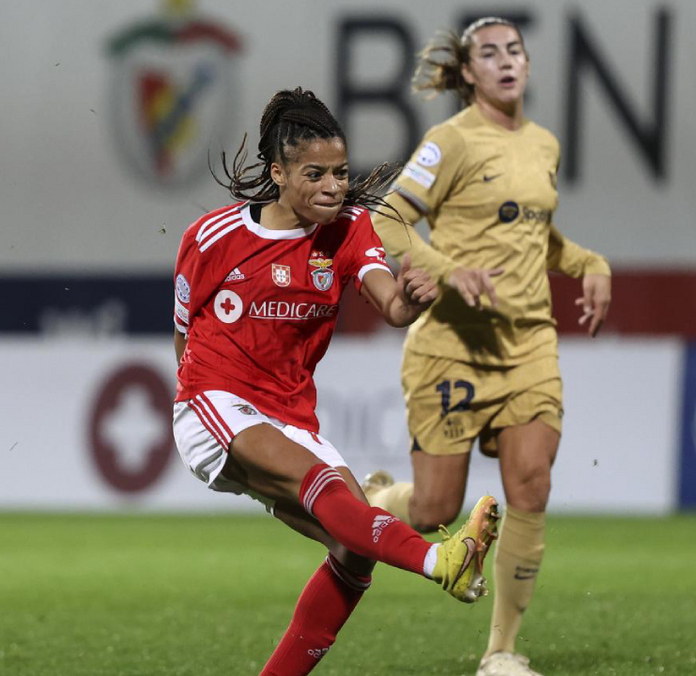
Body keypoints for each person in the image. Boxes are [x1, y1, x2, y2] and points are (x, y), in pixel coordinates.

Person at [171, 87, 500, 676]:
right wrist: (202, 400)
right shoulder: (211, 239)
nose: (334, 186)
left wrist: (412, 300)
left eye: (342, 172)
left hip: (291, 415)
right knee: (326, 485)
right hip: (215, 402)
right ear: (278, 173)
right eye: (315, 173)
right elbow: (181, 336)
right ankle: (440, 562)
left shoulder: (350, 230)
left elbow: (391, 307)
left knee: (354, 553)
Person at [360, 18, 612, 676]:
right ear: (468, 74)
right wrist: (449, 271)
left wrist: (588, 262)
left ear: (527, 64)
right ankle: (381, 502)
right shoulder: (451, 141)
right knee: (439, 507)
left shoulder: (544, 145)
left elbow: (540, 237)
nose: (505, 62)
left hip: (529, 342)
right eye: (489, 55)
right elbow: (385, 216)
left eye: (515, 51)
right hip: (451, 347)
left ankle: (501, 651)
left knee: (531, 481)